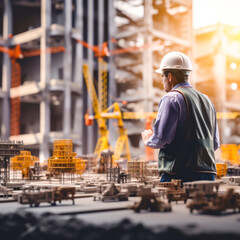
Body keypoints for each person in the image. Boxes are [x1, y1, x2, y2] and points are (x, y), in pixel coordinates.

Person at [141, 51, 220, 183]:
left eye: (162, 76)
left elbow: (161, 138)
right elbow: (215, 143)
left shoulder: (171, 98)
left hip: (179, 173)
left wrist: (148, 140)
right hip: (208, 174)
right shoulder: (207, 101)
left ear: (170, 76)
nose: (162, 81)